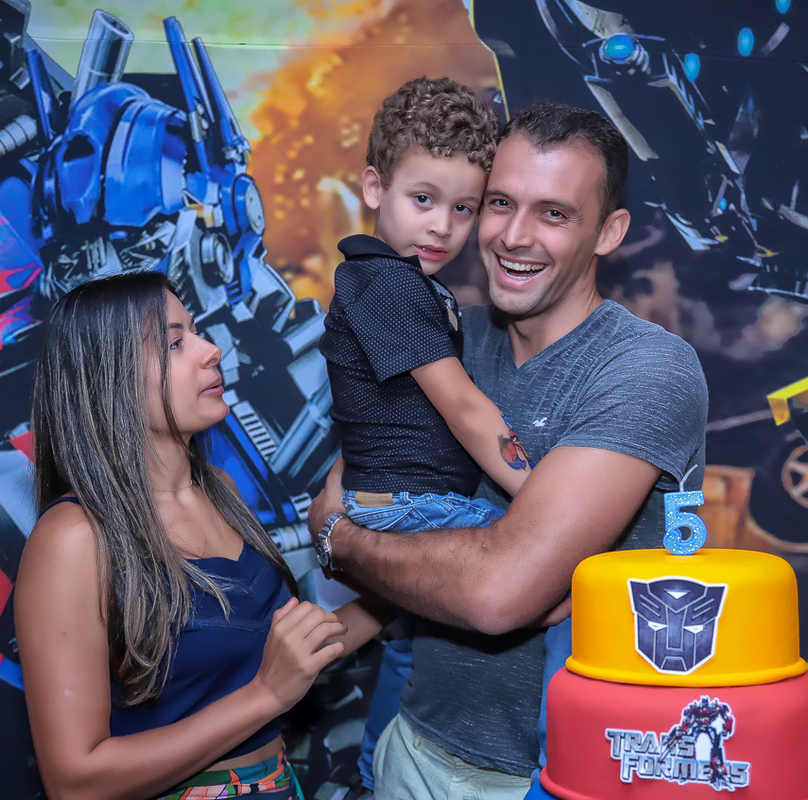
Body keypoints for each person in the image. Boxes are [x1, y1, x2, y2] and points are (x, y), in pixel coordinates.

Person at [307, 101, 709, 800]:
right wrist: (344, 533)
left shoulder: (646, 368)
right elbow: (342, 494)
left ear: (609, 232)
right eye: (499, 203)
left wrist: (343, 542)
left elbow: (498, 596)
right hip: (415, 747)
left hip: (553, 779)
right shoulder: (445, 336)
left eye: (554, 213)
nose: (515, 236)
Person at [15, 271, 380, 800]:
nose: (211, 350)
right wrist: (265, 696)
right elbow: (75, 783)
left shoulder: (221, 491)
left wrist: (420, 588)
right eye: (175, 343)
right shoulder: (74, 538)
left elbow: (292, 653)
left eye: (196, 332)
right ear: (109, 378)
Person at [317, 76, 536, 795]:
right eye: (423, 199)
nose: (442, 226)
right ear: (374, 187)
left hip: (405, 502)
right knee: (548, 576)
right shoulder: (385, 283)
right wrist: (540, 499)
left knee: (409, 649)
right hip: (415, 508)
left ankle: (374, 769)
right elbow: (464, 410)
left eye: (463, 208)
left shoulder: (410, 284)